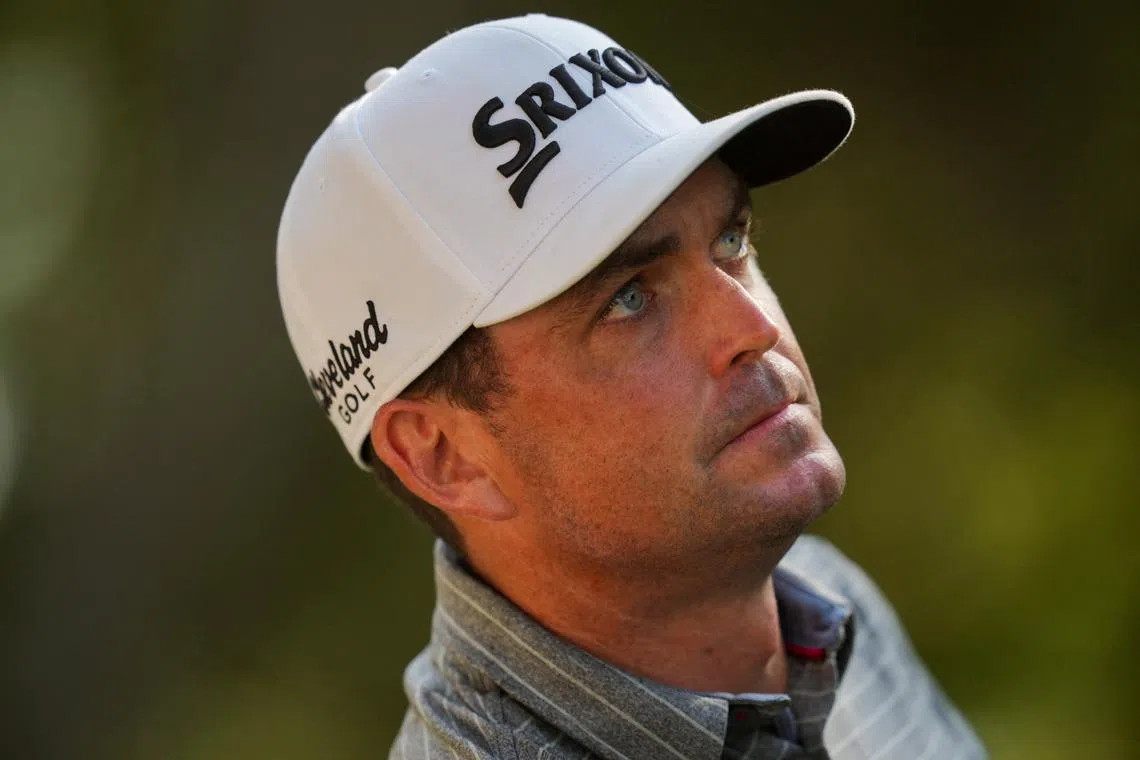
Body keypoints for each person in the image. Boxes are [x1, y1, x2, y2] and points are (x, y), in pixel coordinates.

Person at [276, 14, 987, 760]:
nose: (752, 328)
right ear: (444, 455)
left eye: (731, 242)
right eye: (629, 298)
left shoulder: (821, 602)